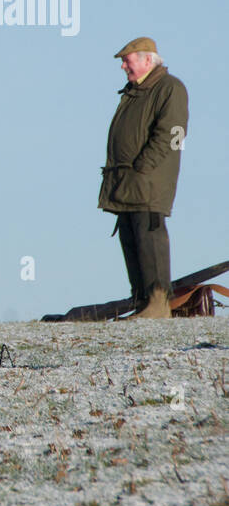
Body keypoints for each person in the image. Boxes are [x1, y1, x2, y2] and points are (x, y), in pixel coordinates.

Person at [98, 38, 189, 318]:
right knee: (130, 236)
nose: (123, 66)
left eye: (128, 60)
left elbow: (172, 134)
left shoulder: (169, 88)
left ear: (148, 60)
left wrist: (143, 166)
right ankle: (142, 302)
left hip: (148, 181)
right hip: (128, 181)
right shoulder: (136, 91)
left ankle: (158, 304)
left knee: (149, 237)